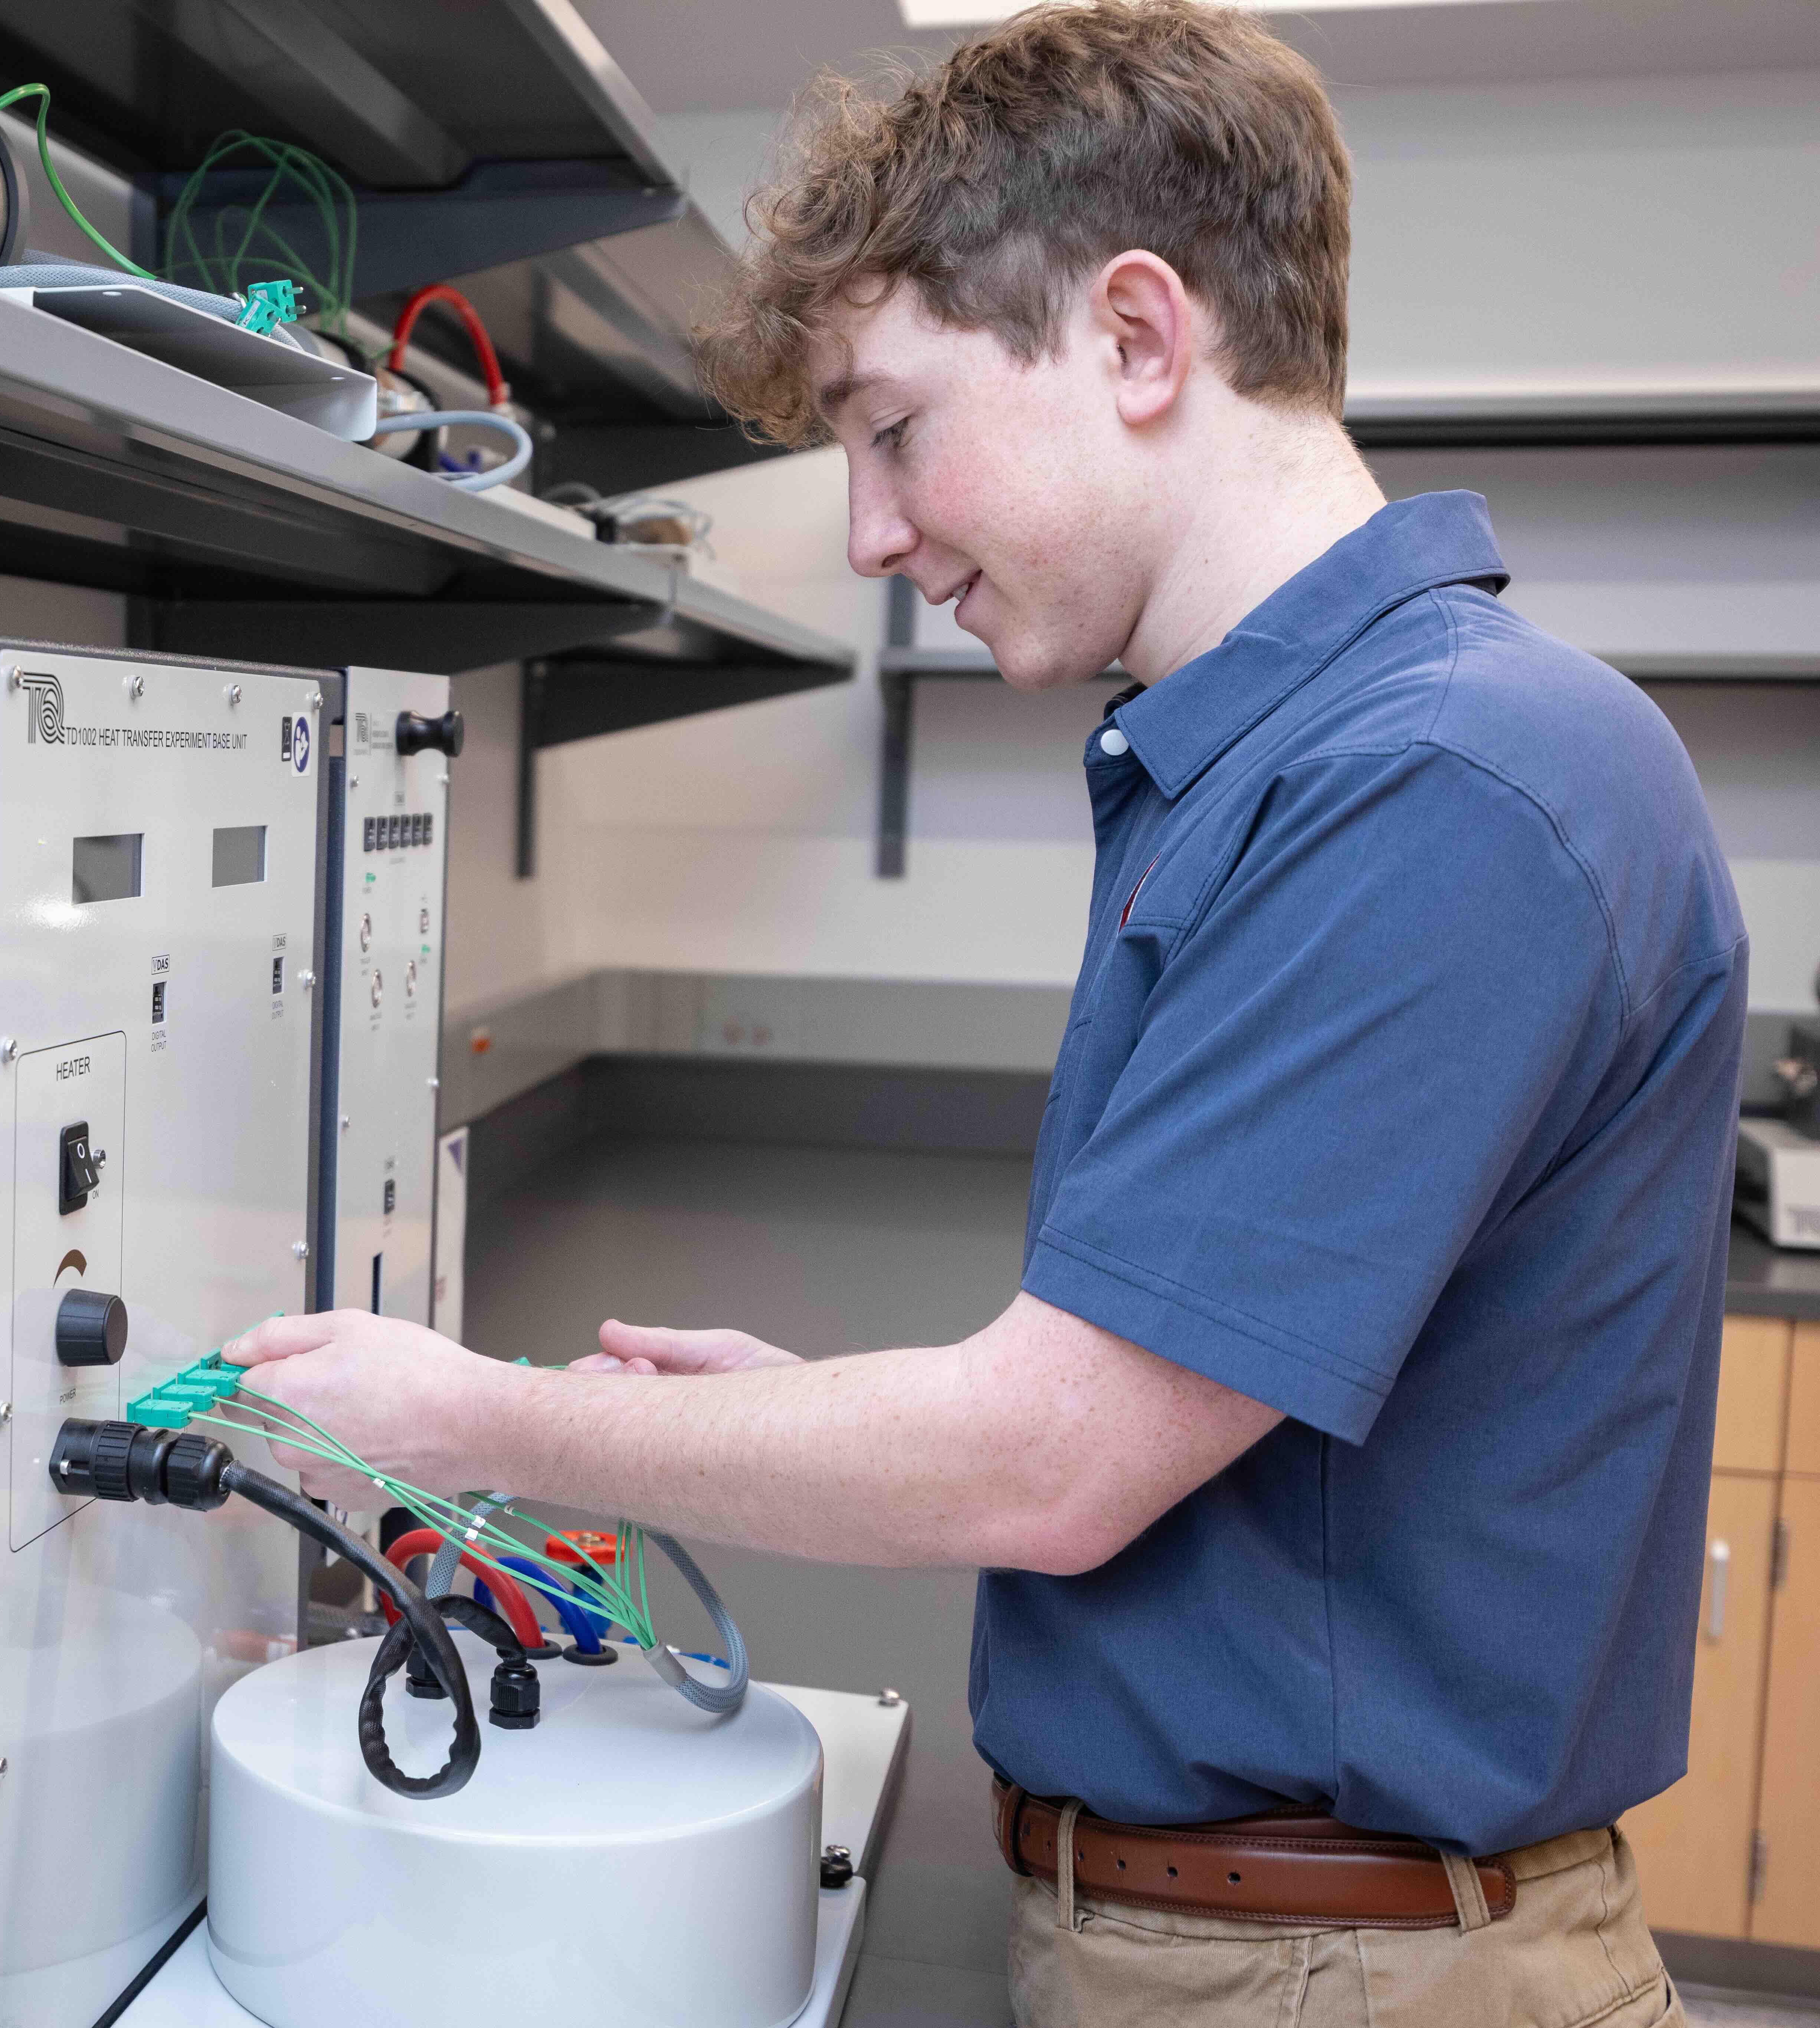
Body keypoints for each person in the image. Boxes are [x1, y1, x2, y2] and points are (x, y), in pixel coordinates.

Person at [221, 3, 1745, 2022]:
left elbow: (1052, 1460)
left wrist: (472, 1417)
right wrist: (781, 1416)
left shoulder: (1434, 784)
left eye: (892, 428)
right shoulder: (1298, 763)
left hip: (1334, 1973)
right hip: (1283, 1939)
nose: (868, 534)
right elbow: (1180, 1429)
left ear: (1135, 338)